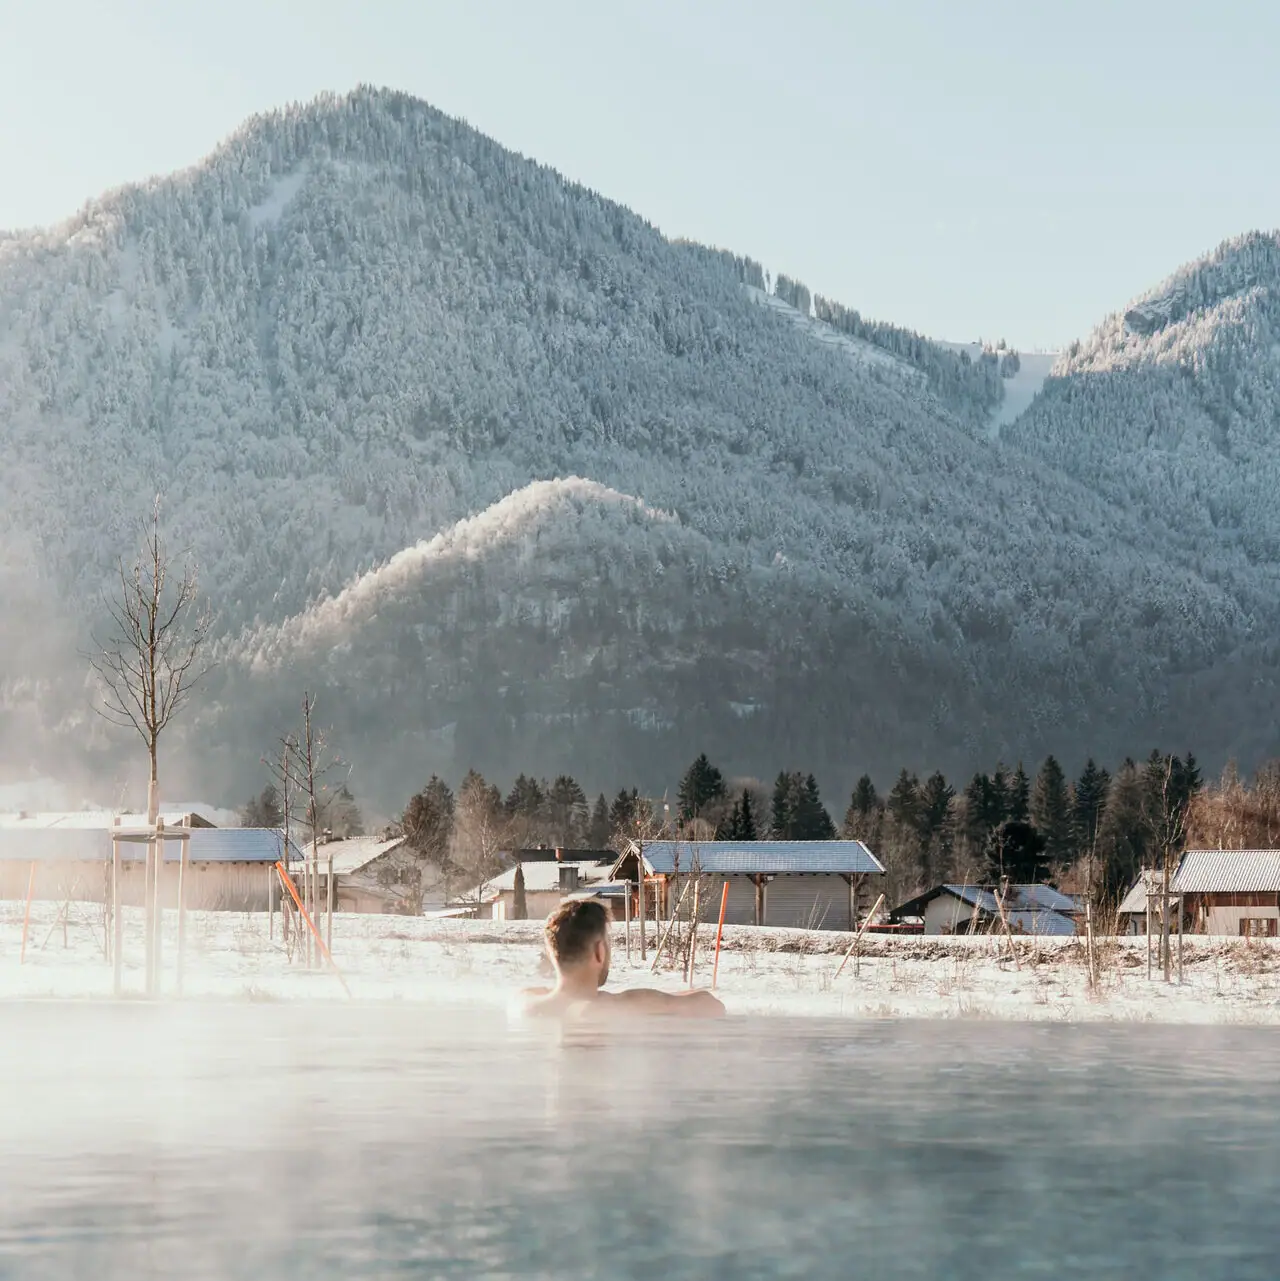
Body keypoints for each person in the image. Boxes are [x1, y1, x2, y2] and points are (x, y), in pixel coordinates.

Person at [515, 897, 726, 1021]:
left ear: (552, 954)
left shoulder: (524, 1003)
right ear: (599, 952)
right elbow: (711, 1006)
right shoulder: (609, 1008)